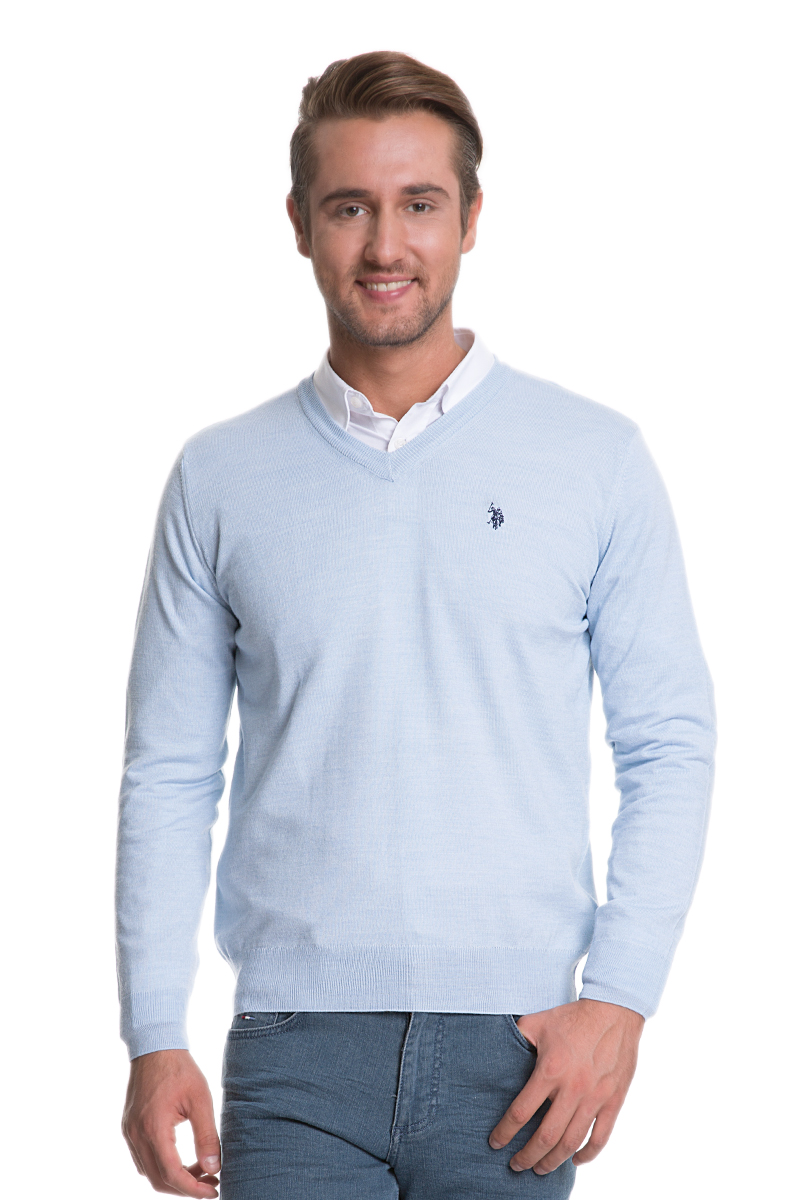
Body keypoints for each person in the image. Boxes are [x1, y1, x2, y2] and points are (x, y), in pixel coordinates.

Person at [116, 50, 716, 1200]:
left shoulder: (591, 460)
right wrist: (153, 1031)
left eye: (419, 205)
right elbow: (170, 769)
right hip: (292, 1052)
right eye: (350, 207)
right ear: (299, 223)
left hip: (521, 1054)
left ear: (471, 218)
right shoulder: (221, 476)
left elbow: (667, 742)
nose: (385, 245)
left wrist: (620, 999)